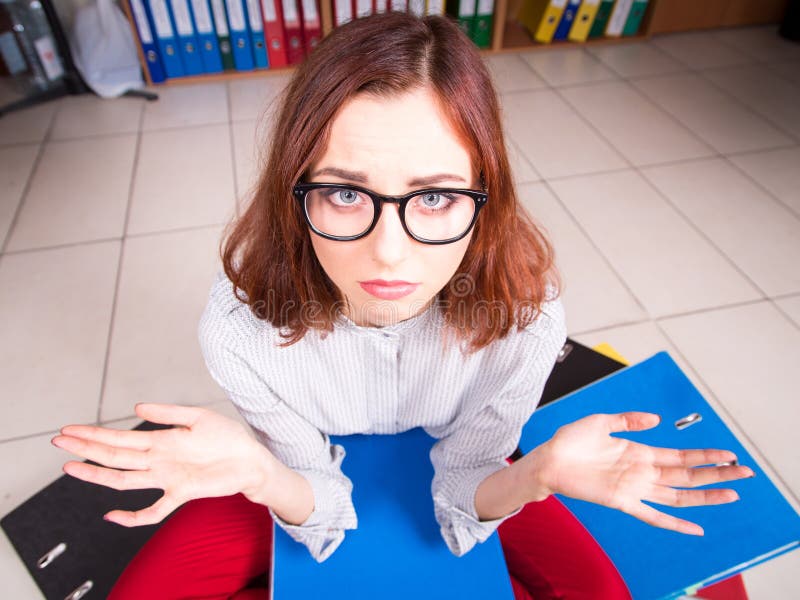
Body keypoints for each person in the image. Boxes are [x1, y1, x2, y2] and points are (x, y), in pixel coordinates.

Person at [51, 12, 753, 600]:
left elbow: (469, 482)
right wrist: (263, 475)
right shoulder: (238, 330)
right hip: (298, 467)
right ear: (295, 194)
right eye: (345, 193)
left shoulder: (528, 319)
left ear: (486, 197)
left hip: (467, 458)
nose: (389, 254)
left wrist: (533, 475)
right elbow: (311, 492)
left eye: (436, 196)